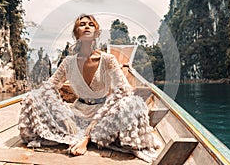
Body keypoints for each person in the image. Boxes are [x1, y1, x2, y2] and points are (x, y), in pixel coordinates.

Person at [18, 14, 160, 162]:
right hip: (77, 113)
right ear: (76, 33)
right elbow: (49, 87)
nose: (86, 26)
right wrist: (60, 114)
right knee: (32, 98)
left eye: (91, 24)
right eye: (82, 24)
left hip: (105, 114)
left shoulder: (107, 59)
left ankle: (87, 137)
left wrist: (94, 124)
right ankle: (86, 135)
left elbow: (124, 90)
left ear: (97, 33)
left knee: (132, 102)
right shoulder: (68, 62)